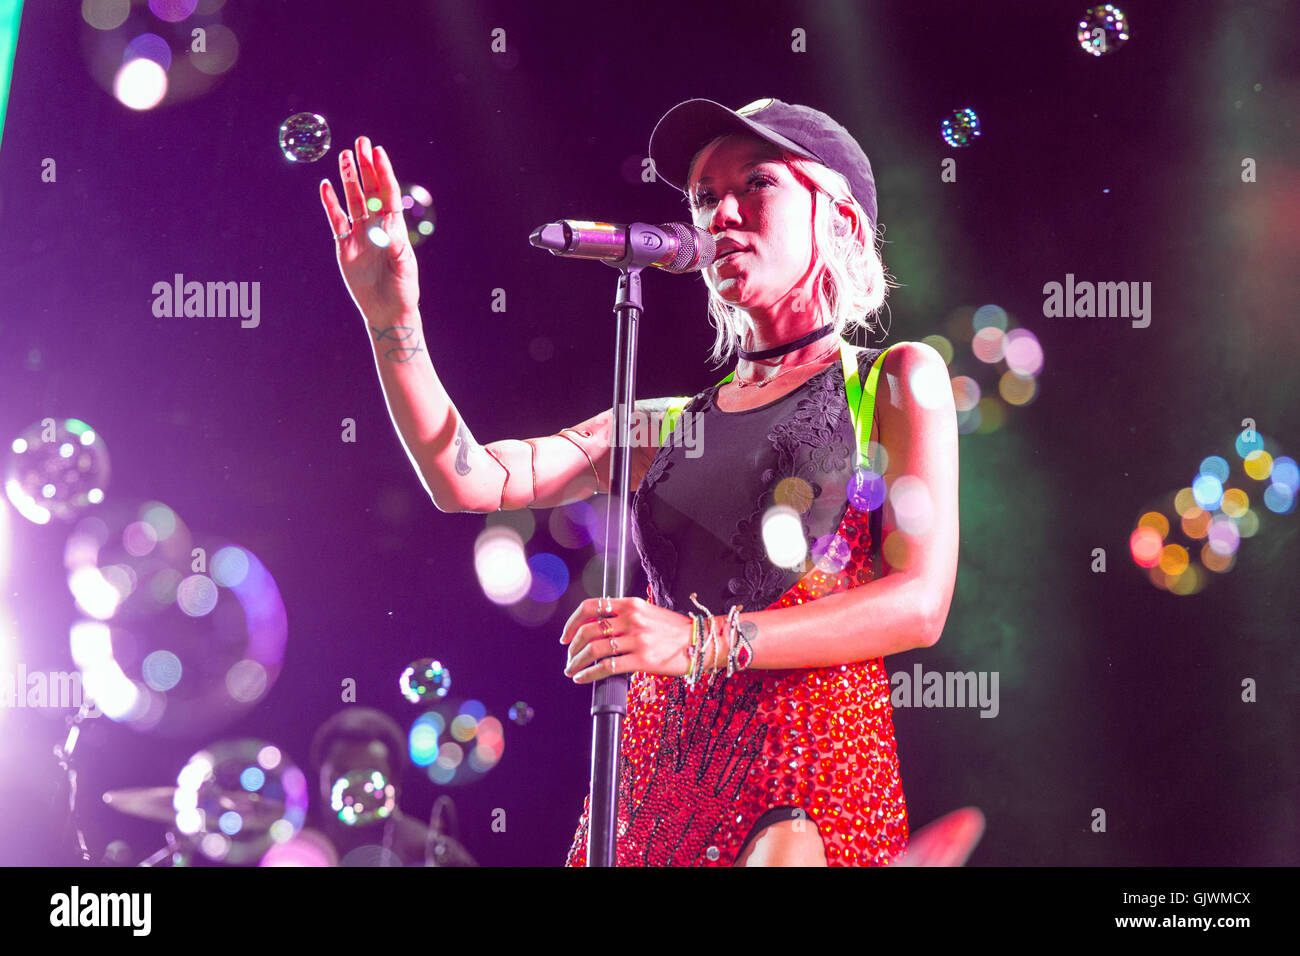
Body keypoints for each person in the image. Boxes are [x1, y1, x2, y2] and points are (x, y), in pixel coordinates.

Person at [319, 97, 959, 867]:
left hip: (805, 768)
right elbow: (473, 479)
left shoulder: (894, 379)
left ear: (843, 220)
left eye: (755, 183)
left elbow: (920, 605)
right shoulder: (666, 424)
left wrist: (700, 641)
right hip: (655, 781)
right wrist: (392, 321)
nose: (721, 213)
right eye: (703, 196)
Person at [308, 707, 433, 866]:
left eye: (369, 774)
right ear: (320, 773)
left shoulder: (425, 849)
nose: (355, 785)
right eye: (342, 771)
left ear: (393, 780)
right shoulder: (293, 843)